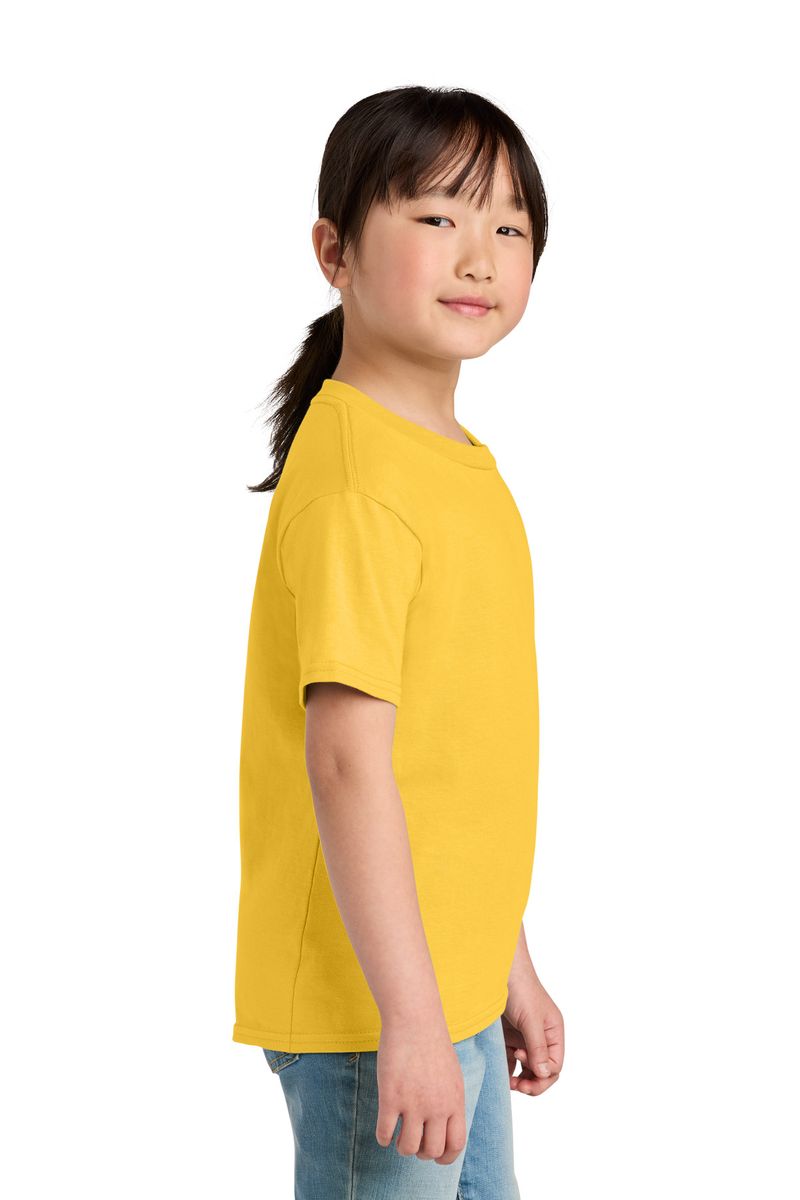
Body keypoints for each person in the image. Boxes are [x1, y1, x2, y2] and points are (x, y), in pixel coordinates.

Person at [232, 84, 564, 1199]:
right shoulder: (358, 481)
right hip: (375, 1011)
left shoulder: (457, 465)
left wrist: (506, 963)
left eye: (508, 227)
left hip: (445, 991)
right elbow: (345, 762)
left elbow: (450, 763)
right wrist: (410, 1018)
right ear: (334, 251)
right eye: (435, 217)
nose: (478, 255)